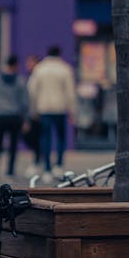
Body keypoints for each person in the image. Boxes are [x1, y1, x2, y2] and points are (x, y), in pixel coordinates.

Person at [27, 45, 76, 183]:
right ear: (59, 54)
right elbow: (70, 92)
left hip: (43, 109)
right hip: (60, 108)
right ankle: (59, 165)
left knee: (45, 138)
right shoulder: (65, 69)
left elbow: (32, 90)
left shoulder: (39, 69)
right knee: (61, 137)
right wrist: (72, 111)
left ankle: (47, 168)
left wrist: (33, 109)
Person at [0, 55, 29, 181]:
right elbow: (24, 101)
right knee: (13, 145)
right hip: (15, 117)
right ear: (15, 65)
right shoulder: (20, 81)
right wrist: (25, 118)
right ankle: (10, 170)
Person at [22, 54, 42, 177]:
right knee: (32, 138)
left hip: (37, 112)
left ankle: (37, 163)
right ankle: (39, 161)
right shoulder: (31, 77)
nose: (28, 65)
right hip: (33, 112)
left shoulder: (37, 77)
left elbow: (33, 96)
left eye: (30, 63)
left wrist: (33, 113)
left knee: (35, 138)